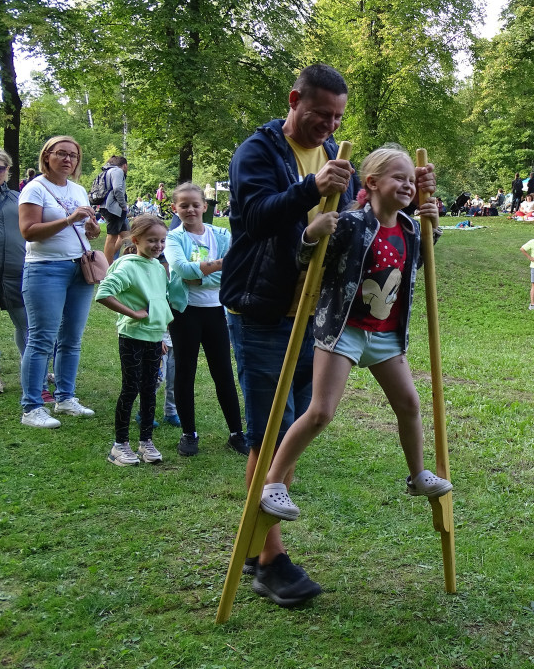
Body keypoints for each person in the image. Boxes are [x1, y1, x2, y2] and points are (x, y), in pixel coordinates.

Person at [256, 147, 451, 565]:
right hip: (342, 330)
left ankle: (418, 476)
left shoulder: (410, 230)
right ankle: (273, 482)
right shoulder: (348, 223)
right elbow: (303, 258)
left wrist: (432, 224)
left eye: (411, 181)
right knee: (321, 412)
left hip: (385, 336)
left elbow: (420, 262)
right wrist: (311, 234)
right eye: (397, 178)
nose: (406, 185)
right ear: (372, 184)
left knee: (410, 404)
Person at [220, 63, 361, 606]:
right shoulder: (256, 152)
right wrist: (310, 188)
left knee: (290, 437)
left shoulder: (330, 156)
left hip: (310, 314)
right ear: (294, 99)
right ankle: (268, 560)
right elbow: (253, 218)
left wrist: (399, 200)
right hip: (262, 312)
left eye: (337, 116)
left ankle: (260, 548)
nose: (329, 123)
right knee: (267, 436)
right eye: (321, 113)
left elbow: (346, 225)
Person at [18, 136, 101, 428]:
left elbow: (85, 230)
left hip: (79, 269)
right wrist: (69, 219)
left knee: (72, 339)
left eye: (73, 156)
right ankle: (32, 407)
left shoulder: (78, 190)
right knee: (42, 339)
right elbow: (29, 231)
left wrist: (91, 228)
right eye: (61, 154)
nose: (68, 159)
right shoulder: (35, 188)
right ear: (47, 156)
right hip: (45, 269)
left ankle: (66, 398)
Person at [165, 182, 247, 457]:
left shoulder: (221, 234)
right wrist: (219, 265)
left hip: (216, 311)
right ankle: (189, 434)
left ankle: (237, 433)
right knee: (185, 372)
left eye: (195, 204)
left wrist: (200, 273)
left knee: (223, 371)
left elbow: (236, 267)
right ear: (174, 208)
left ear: (205, 206)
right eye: (183, 205)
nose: (190, 209)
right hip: (185, 312)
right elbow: (181, 269)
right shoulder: (173, 238)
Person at [95, 214, 173, 465]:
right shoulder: (128, 265)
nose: (158, 246)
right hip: (132, 337)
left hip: (153, 339)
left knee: (150, 390)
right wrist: (133, 313)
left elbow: (159, 304)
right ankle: (119, 446)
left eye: (162, 241)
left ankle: (145, 442)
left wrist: (160, 335)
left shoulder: (159, 268)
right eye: (152, 240)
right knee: (131, 388)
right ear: (137, 240)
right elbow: (104, 293)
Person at [0, 149, 28, 395]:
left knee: (25, 324)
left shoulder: (19, 199)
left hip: (15, 272)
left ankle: (29, 370)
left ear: (8, 170)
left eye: (0, 168)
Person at [96, 155, 130, 263]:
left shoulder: (107, 171)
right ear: (124, 165)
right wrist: (123, 205)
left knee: (125, 236)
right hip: (113, 208)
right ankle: (107, 266)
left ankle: (126, 259)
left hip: (108, 207)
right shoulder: (118, 171)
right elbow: (117, 189)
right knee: (112, 237)